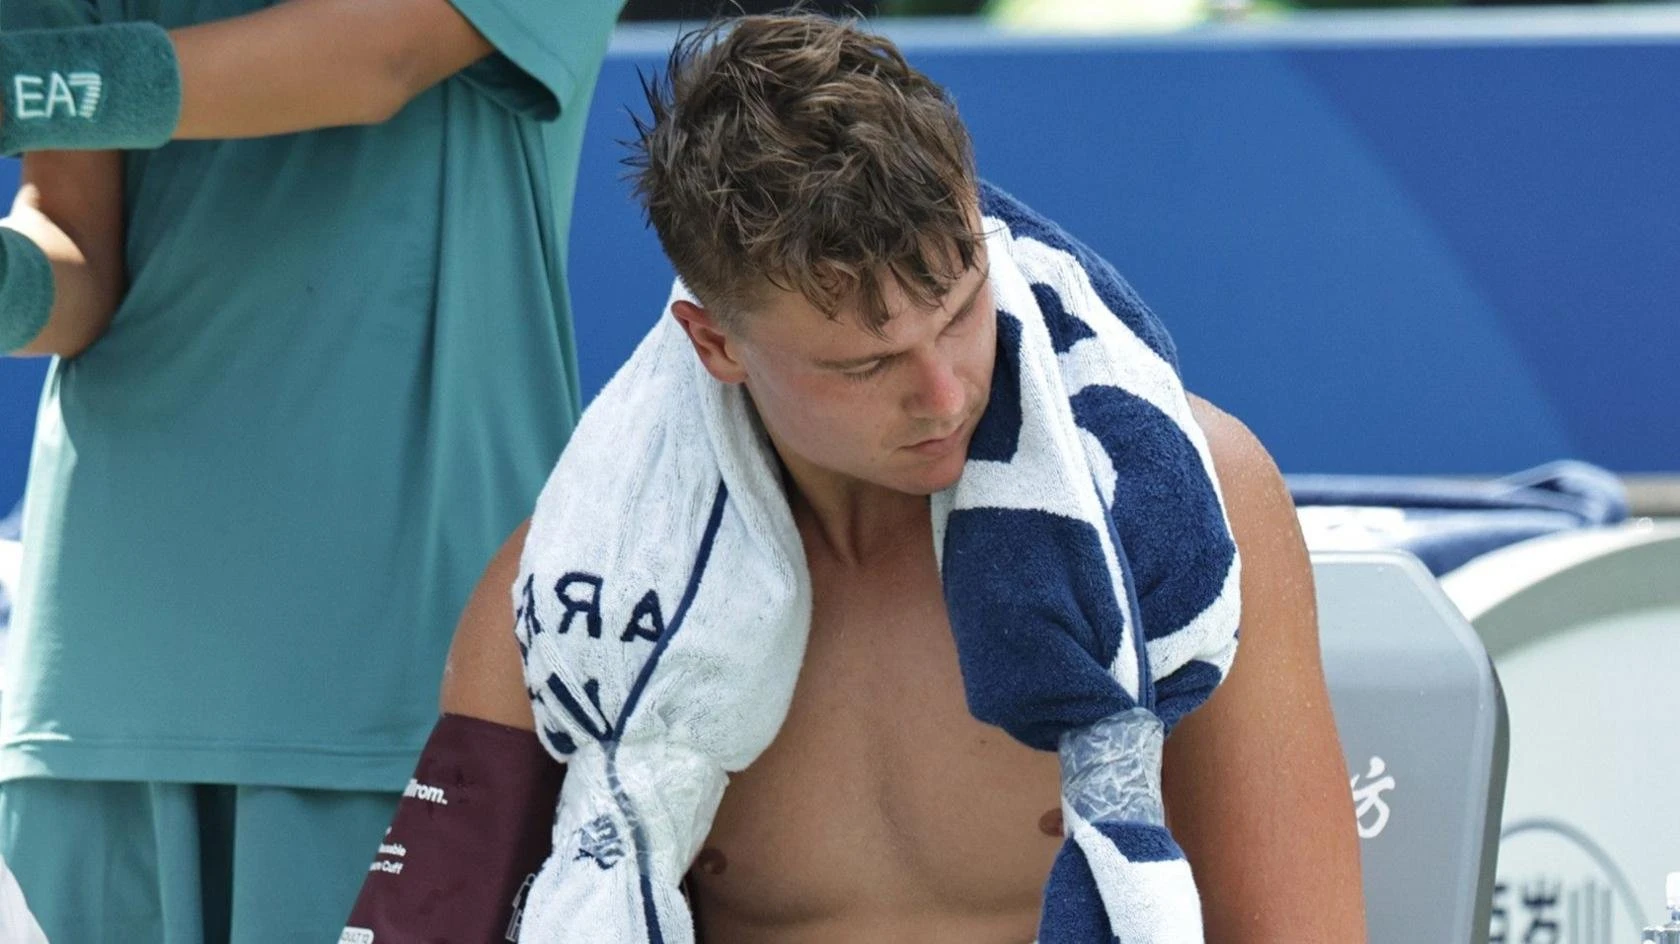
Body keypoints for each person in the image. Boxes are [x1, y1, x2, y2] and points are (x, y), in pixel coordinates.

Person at [403, 13, 1366, 942]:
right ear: (717, 345)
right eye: (866, 365)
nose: (944, 395)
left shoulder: (1187, 503)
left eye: (960, 312)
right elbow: (429, 926)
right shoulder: (570, 587)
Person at [0, 0, 623, 938]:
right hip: (98, 690)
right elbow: (74, 242)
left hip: (410, 678)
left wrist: (30, 88)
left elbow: (381, 55)